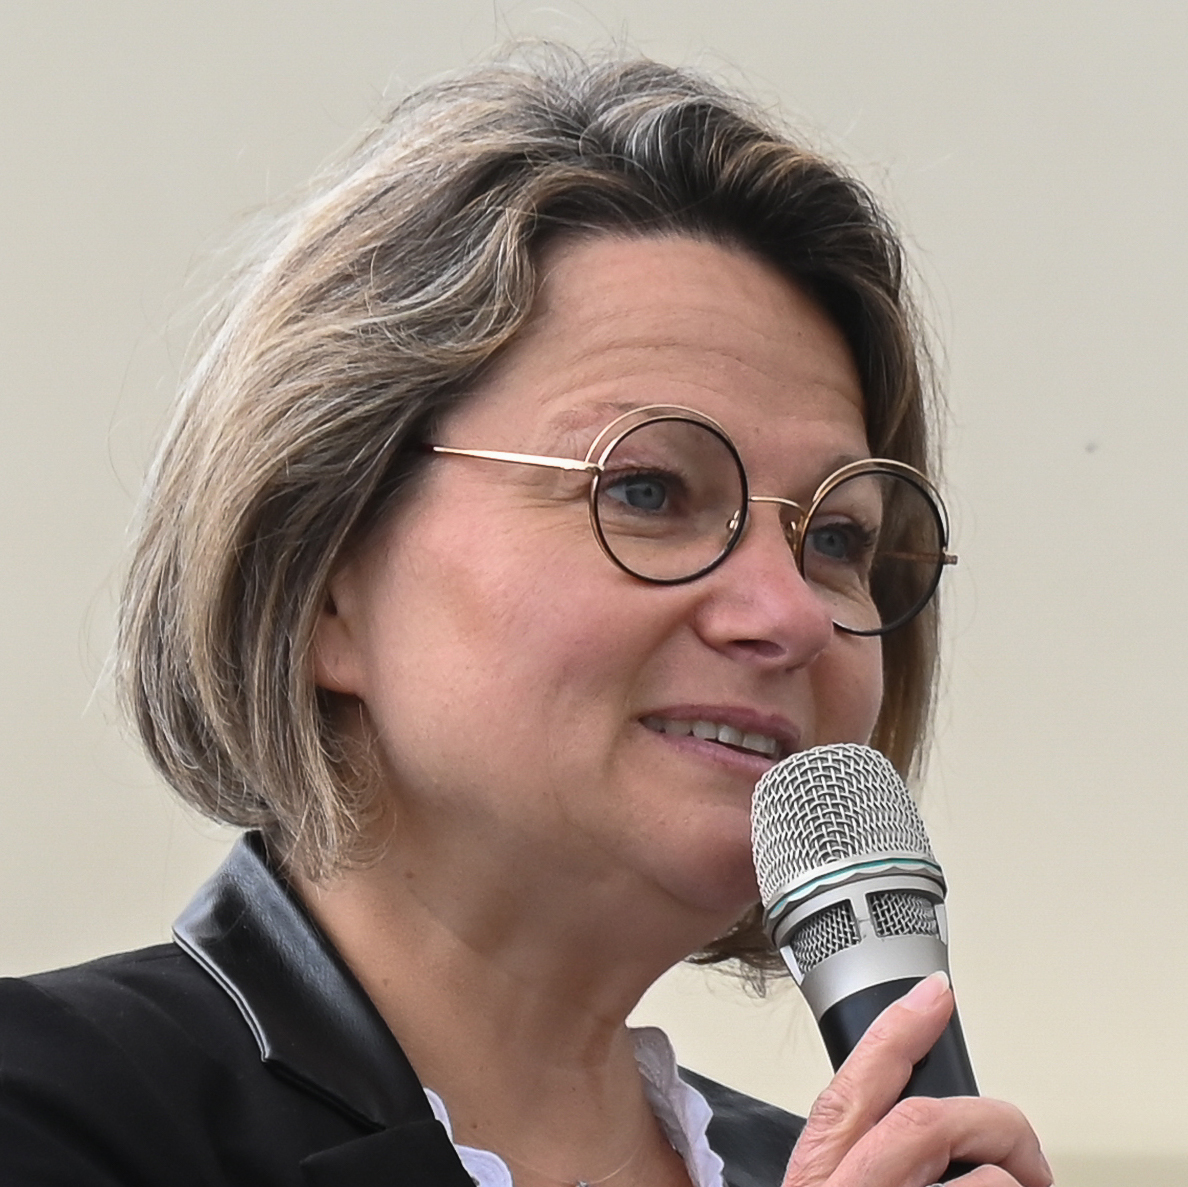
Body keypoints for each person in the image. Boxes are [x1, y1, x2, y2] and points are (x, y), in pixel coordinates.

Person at [0, 49, 1051, 1187]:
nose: (786, 613)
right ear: (324, 576)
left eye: (838, 538)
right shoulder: (52, 1110)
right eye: (647, 489)